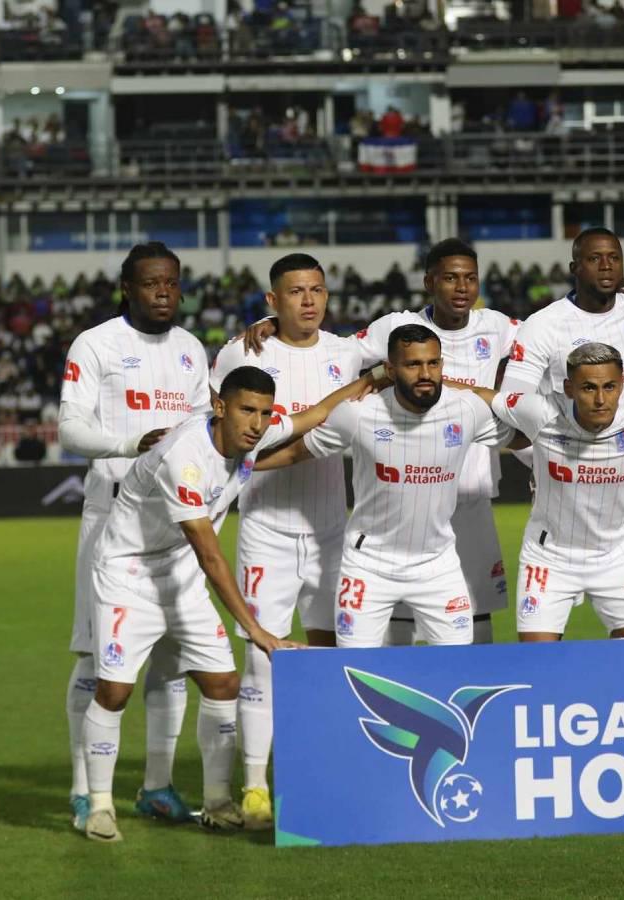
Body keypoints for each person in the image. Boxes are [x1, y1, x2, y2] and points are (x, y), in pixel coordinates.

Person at [81, 364, 379, 842]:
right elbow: (211, 556)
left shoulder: (251, 435)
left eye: (264, 413)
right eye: (246, 411)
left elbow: (319, 413)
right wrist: (258, 631)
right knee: (115, 691)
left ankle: (218, 801)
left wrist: (377, 376)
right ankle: (97, 806)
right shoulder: (185, 456)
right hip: (128, 575)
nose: (256, 424)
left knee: (222, 684)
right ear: (220, 407)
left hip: (177, 572)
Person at [241, 239, 520, 645]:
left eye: (470, 279)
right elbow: (336, 351)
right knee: (393, 639)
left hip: (469, 497)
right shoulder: (393, 326)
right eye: (449, 278)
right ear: (428, 282)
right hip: (394, 511)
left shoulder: (499, 326)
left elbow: (560, 333)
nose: (461, 288)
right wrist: (278, 323)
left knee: (474, 636)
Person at [58, 242, 211, 833]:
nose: (164, 293)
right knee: (98, 658)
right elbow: (70, 427)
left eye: (172, 282)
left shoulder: (191, 350)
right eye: (151, 284)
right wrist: (131, 445)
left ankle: (157, 785)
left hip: (176, 526)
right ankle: (82, 788)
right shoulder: (95, 344)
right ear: (128, 287)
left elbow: (205, 430)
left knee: (172, 659)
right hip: (113, 516)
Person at [208, 253, 363, 830]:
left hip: (330, 531)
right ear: (271, 303)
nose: (308, 301)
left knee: (327, 653)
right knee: (262, 655)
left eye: (317, 290)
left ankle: (318, 771)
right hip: (266, 533)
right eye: (295, 292)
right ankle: (253, 786)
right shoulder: (242, 353)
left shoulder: (349, 353)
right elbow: (222, 434)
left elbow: (412, 338)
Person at [459, 343, 624, 639]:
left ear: (623, 386)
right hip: (549, 557)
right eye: (588, 388)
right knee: (539, 660)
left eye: (610, 386)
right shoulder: (540, 410)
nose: (600, 399)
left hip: (615, 555)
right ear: (569, 388)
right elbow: (482, 395)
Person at [500, 227, 624, 588]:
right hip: (565, 484)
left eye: (614, 258)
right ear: (574, 266)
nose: (606, 266)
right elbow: (514, 402)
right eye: (594, 259)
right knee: (553, 605)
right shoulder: (544, 324)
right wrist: (545, 460)